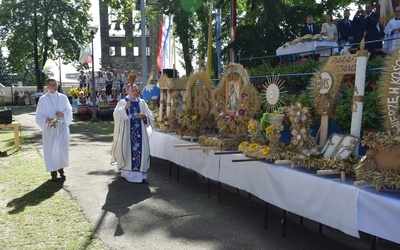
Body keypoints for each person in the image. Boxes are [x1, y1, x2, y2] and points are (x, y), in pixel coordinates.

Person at [111, 83, 154, 183]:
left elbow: (150, 116)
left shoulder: (142, 103)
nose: (135, 92)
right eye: (133, 90)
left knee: (141, 153)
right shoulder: (122, 102)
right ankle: (127, 174)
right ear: (127, 92)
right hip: (126, 134)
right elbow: (116, 116)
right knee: (127, 152)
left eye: (136, 90)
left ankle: (141, 177)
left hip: (141, 134)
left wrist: (144, 117)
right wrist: (125, 109)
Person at [35, 78, 72, 181]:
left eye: (55, 84)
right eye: (51, 85)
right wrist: (45, 120)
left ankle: (61, 169)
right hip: (49, 129)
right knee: (51, 150)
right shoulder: (43, 99)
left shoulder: (63, 98)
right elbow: (38, 115)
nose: (54, 86)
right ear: (47, 86)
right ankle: (53, 172)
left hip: (61, 127)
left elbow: (69, 110)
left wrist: (63, 114)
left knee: (61, 149)